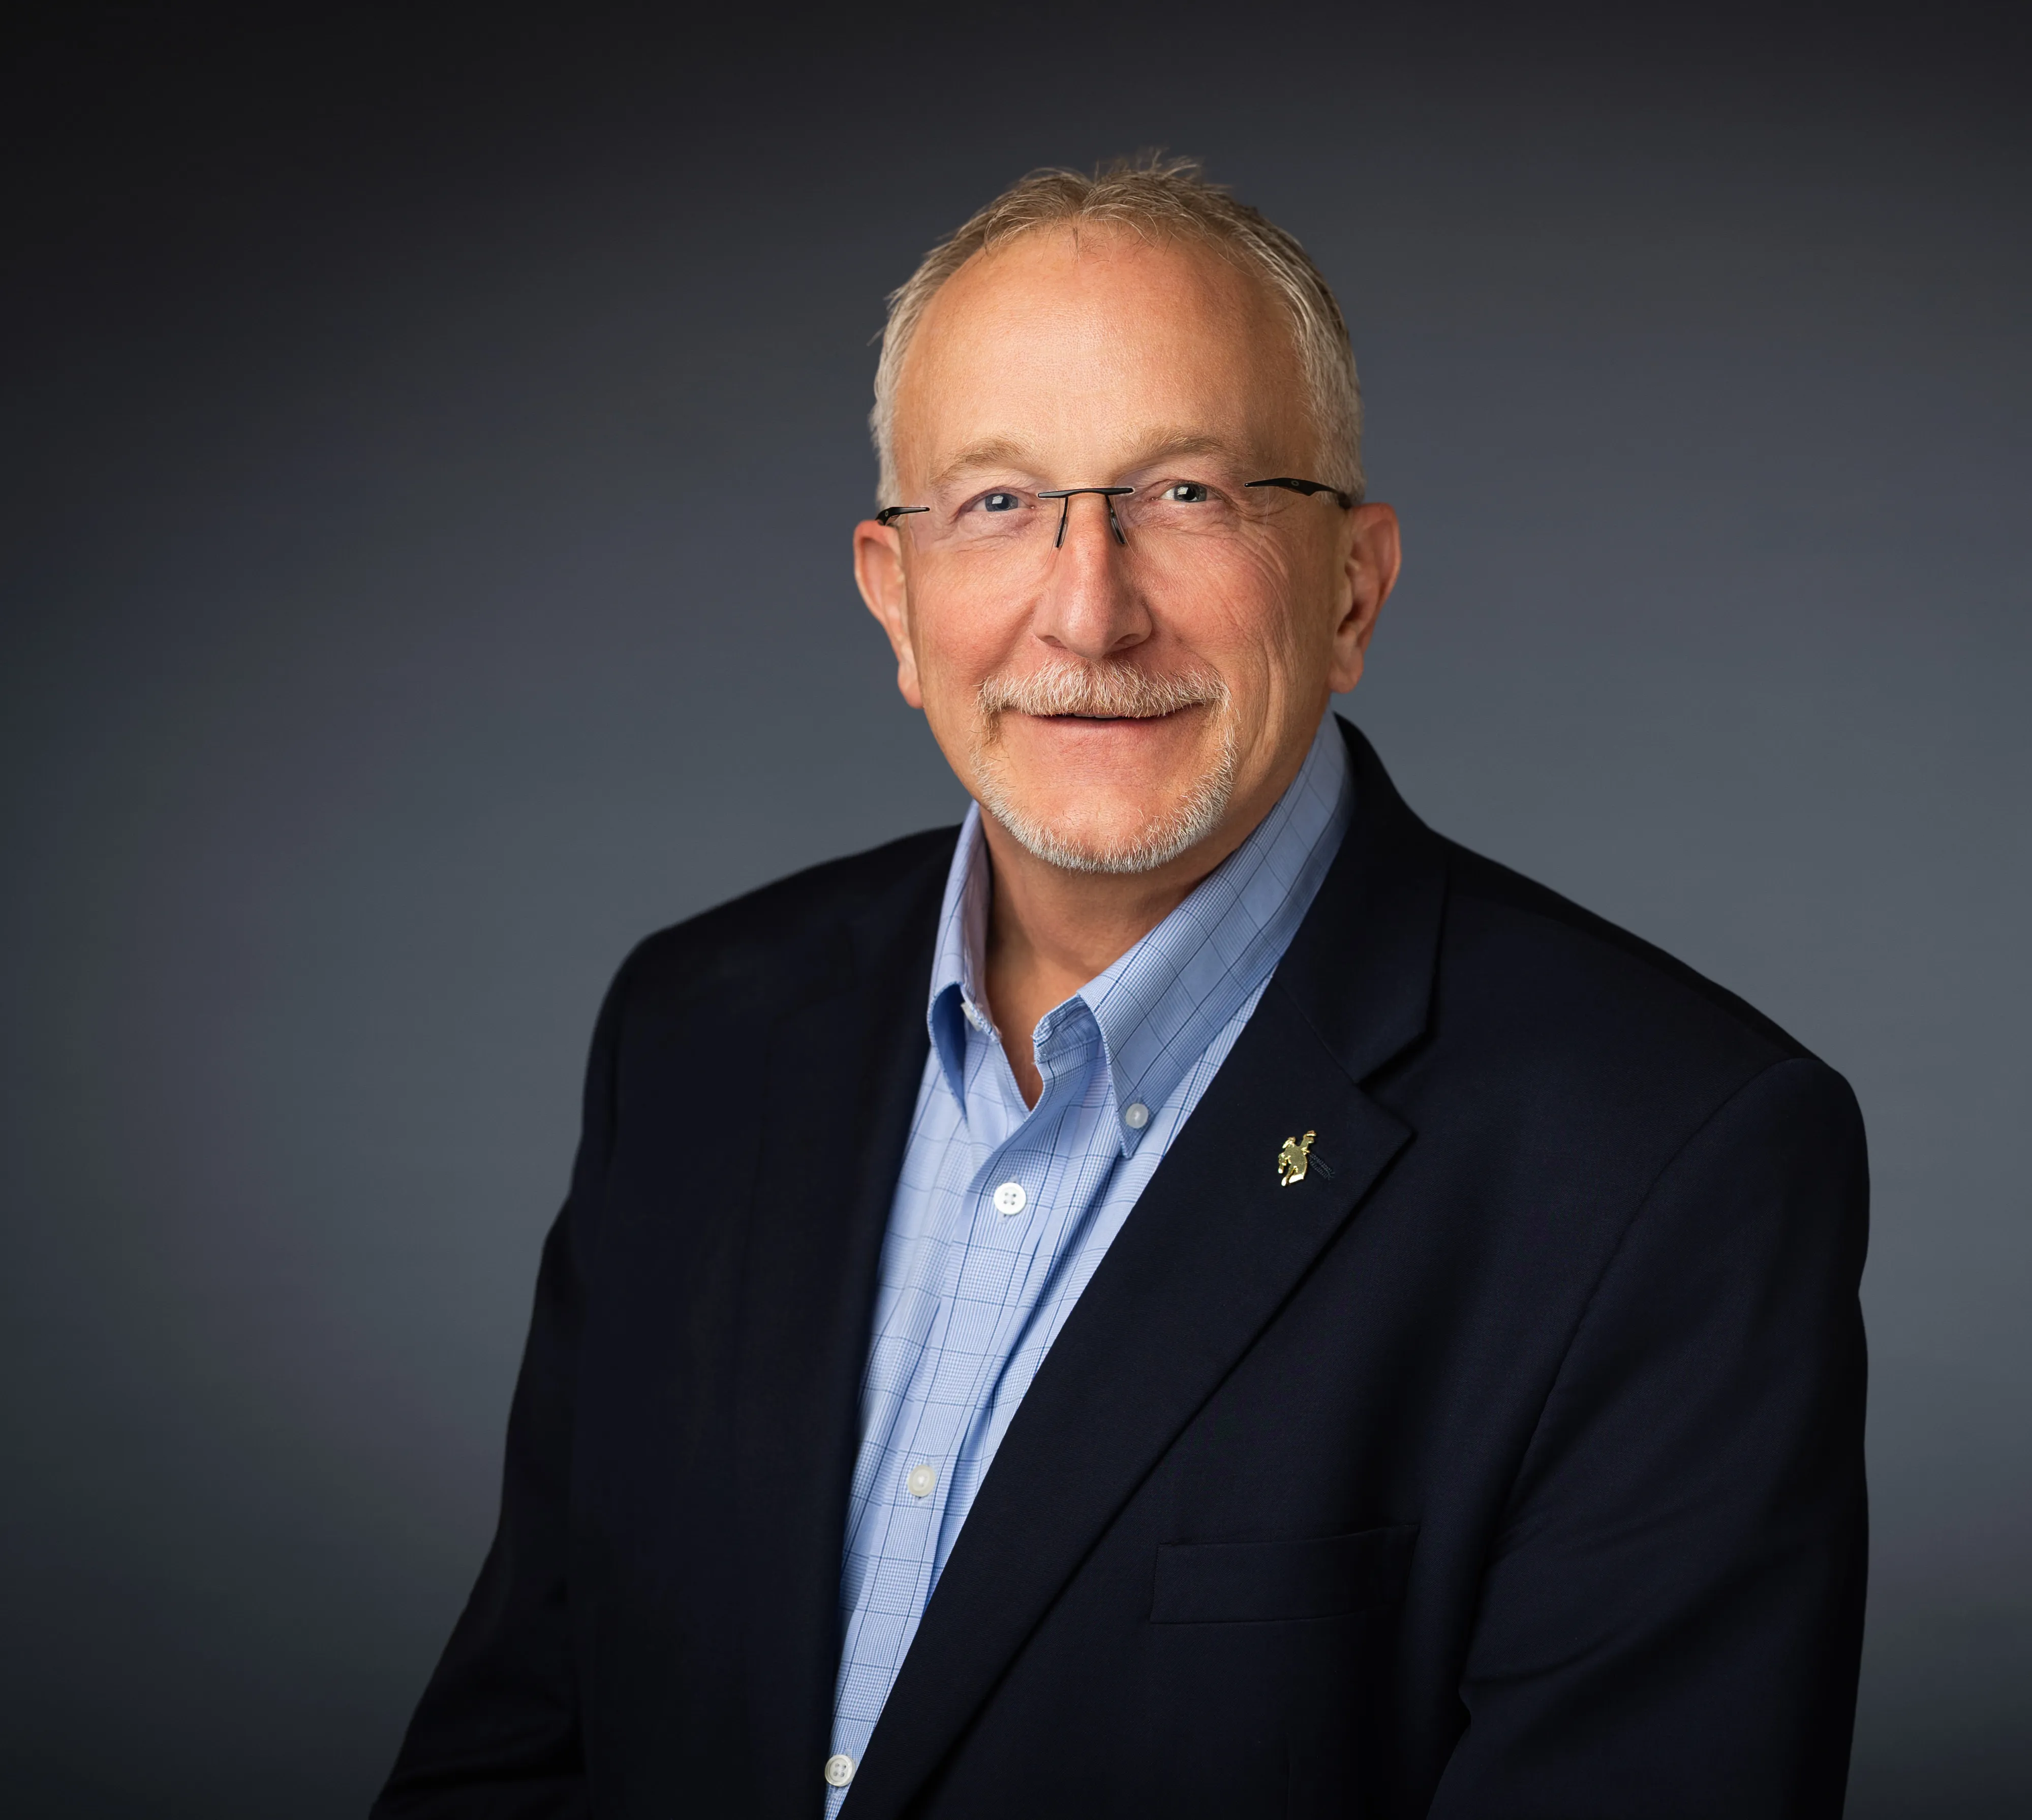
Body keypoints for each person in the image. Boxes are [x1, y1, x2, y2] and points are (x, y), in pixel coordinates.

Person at [375, 153, 1869, 1820]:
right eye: (999, 502)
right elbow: (519, 1752)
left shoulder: (1665, 1158)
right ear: (895, 599)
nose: (1087, 611)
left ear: (1354, 588)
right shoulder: (699, 1033)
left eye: (1185, 494)